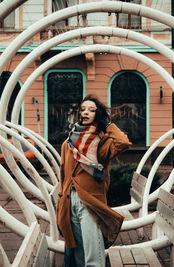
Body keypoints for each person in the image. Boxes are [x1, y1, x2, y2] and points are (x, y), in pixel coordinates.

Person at [56, 95, 132, 266]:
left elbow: (123, 143)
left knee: (93, 256)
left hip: (90, 202)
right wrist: (61, 202)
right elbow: (63, 175)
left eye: (91, 110)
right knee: (79, 255)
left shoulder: (102, 142)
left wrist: (107, 125)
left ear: (97, 115)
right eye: (83, 109)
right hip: (70, 201)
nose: (86, 112)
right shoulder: (67, 143)